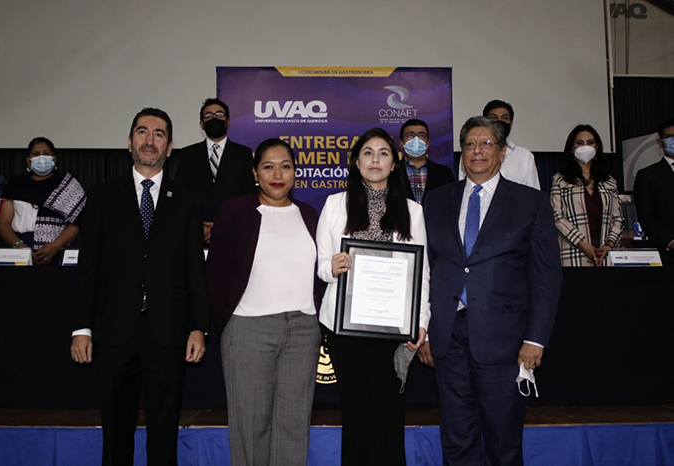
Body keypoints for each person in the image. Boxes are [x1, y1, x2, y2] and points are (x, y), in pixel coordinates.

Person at [70, 108, 209, 466]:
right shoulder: (102, 196)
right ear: (129, 142)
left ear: (170, 147)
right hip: (114, 331)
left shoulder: (188, 200)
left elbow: (194, 268)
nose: (150, 140)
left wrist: (199, 326)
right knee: (116, 432)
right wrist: (81, 328)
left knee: (164, 432)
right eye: (142, 132)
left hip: (168, 331)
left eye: (159, 134)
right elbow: (88, 267)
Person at [423, 116, 561, 465]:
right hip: (448, 337)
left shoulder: (530, 202)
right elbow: (425, 270)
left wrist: (536, 339)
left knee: (503, 441)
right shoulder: (435, 201)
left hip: (506, 340)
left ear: (501, 152)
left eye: (486, 143)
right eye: (469, 144)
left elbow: (546, 278)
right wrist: (422, 329)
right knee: (456, 439)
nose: (477, 151)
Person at [316, 127, 430, 466]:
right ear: (355, 161)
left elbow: (422, 272)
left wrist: (420, 322)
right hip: (345, 327)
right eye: (367, 152)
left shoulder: (413, 211)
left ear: (394, 163)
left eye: (383, 153)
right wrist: (332, 266)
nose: (375, 160)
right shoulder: (335, 204)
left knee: (389, 415)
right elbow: (320, 264)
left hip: (393, 329)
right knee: (355, 415)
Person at [207, 138, 321, 466]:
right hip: (248, 329)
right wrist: (224, 324)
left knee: (294, 426)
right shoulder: (235, 211)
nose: (277, 174)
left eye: (285, 166)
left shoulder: (309, 214)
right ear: (255, 173)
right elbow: (215, 274)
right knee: (251, 426)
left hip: (303, 332)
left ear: (295, 172)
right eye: (268, 167)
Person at [173, 97, 256, 244]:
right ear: (201, 124)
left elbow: (248, 195)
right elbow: (181, 195)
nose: (214, 118)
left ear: (228, 122)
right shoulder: (188, 154)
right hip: (196, 233)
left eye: (219, 114)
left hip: (234, 232)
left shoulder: (243, 154)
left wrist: (222, 225)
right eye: (208, 115)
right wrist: (199, 226)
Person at [0, 137, 85, 265]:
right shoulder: (15, 186)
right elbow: (3, 222)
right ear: (28, 160)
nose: (41, 158)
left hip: (59, 252)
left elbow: (78, 221)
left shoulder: (68, 185)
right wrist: (20, 246)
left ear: (54, 158)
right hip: (19, 251)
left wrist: (56, 245)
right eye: (36, 154)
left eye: (46, 153)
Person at [551, 124, 623, 267]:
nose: (585, 147)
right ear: (572, 148)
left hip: (604, 254)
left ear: (597, 147)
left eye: (590, 142)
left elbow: (618, 218)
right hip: (573, 252)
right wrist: (582, 244)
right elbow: (556, 216)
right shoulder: (560, 180)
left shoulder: (609, 181)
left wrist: (609, 245)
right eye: (579, 143)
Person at [459, 100, 541, 190]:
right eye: (494, 118)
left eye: (505, 118)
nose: (477, 150)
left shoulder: (524, 156)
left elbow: (533, 191)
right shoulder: (470, 154)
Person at [634, 118, 674, 265]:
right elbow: (646, 216)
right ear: (660, 143)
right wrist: (670, 241)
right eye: (669, 137)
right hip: (667, 255)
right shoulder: (648, 175)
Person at [397, 118, 454, 203]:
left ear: (428, 143)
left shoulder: (444, 173)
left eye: (422, 135)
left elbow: (451, 203)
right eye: (410, 135)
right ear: (401, 144)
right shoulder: (391, 173)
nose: (416, 140)